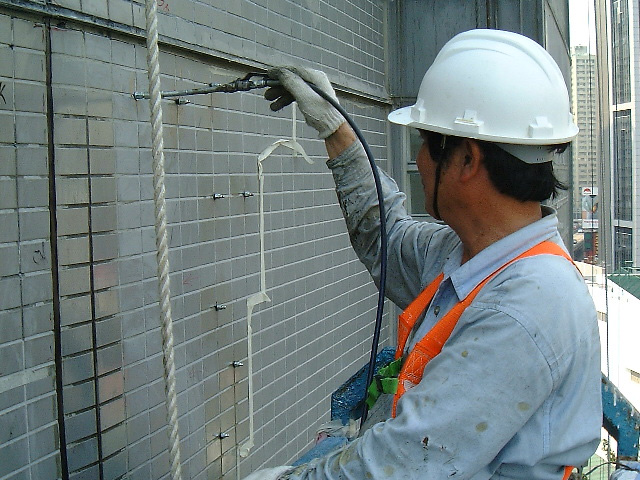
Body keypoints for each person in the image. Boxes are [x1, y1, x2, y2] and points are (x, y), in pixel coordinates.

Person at [246, 29, 602, 480]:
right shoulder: (473, 258)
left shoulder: (525, 308)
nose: (418, 157)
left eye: (425, 141)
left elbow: (405, 463)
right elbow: (387, 237)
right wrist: (336, 130)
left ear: (468, 159)